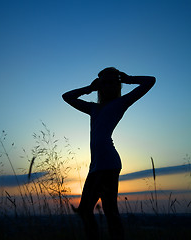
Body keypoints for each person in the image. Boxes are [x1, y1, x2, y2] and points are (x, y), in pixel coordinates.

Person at [62, 67, 156, 240]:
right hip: (97, 165)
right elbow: (67, 97)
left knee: (100, 210)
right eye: (104, 82)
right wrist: (89, 88)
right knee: (96, 210)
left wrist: (128, 79)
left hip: (108, 163)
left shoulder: (120, 103)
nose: (107, 86)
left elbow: (150, 80)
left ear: (118, 85)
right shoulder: (93, 109)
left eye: (112, 82)